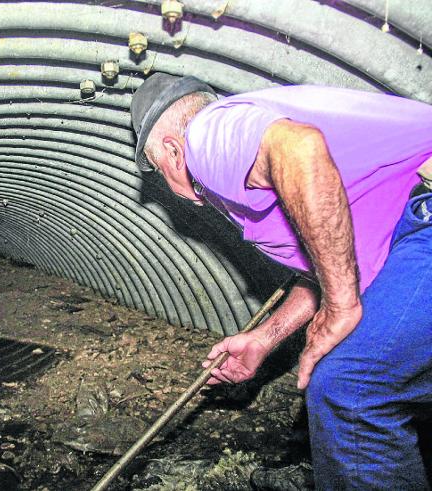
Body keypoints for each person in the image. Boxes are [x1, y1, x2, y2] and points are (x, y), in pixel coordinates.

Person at [130, 73, 432, 490]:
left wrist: (342, 303)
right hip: (409, 238)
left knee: (349, 388)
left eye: (159, 170)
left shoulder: (208, 134)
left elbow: (300, 148)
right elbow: (321, 266)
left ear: (171, 151)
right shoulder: (243, 161)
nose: (166, 182)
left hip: (424, 219)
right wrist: (264, 339)